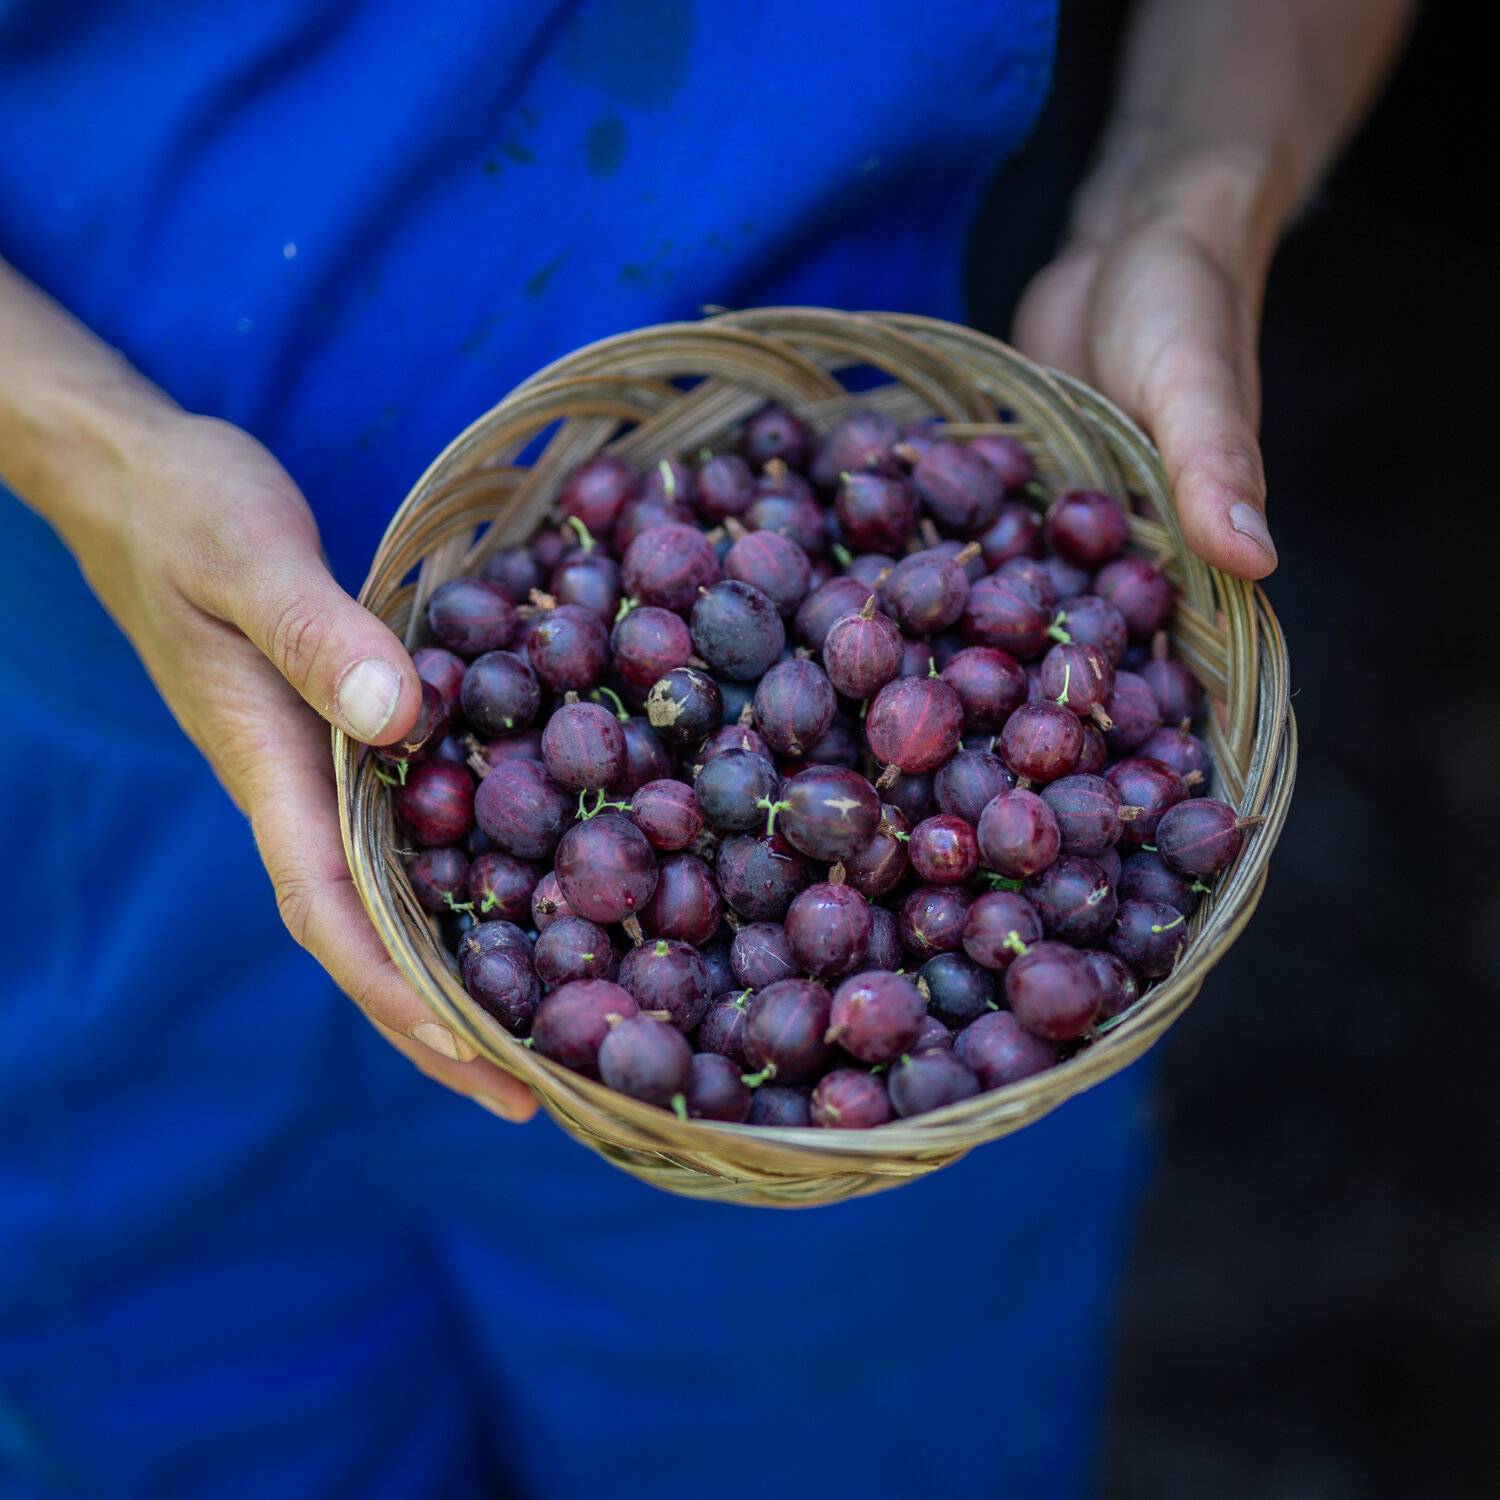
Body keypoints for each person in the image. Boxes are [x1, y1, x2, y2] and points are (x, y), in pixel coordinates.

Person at [0, 2, 1412, 1496]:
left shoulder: (854, 833)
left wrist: (1193, 187)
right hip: (96, 762)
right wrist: (76, 443)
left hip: (808, 1097)